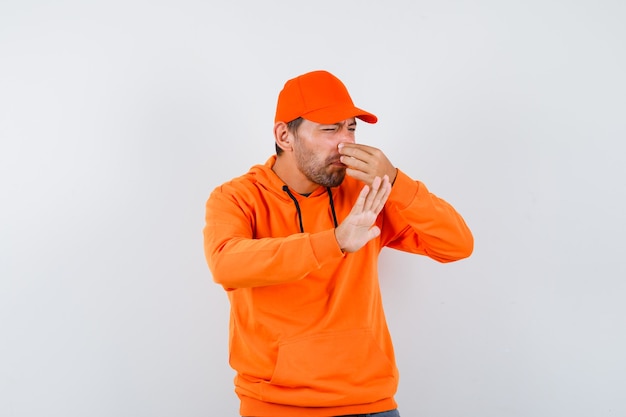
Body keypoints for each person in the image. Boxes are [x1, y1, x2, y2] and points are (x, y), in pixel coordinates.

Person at [203, 70, 473, 417]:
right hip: (277, 407)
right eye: (330, 129)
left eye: (351, 128)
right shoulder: (237, 197)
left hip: (371, 404)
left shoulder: (365, 193)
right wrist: (335, 241)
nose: (345, 142)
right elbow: (226, 263)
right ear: (285, 135)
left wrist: (394, 180)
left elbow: (456, 244)